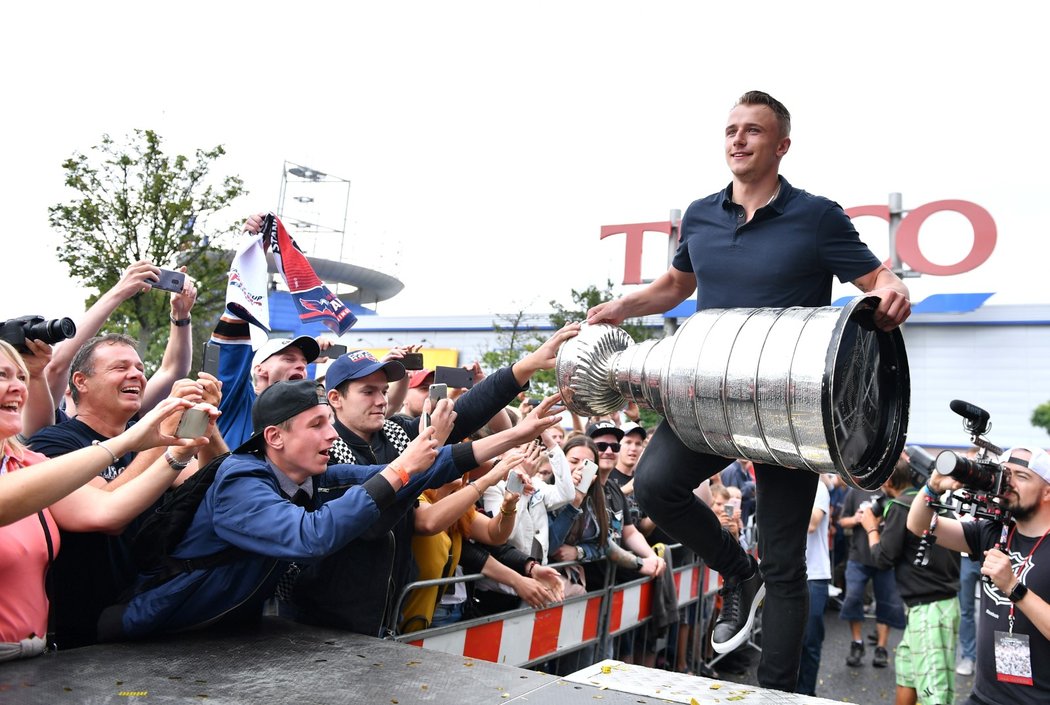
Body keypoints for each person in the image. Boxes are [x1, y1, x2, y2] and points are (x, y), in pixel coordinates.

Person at [586, 90, 911, 691]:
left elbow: (875, 276)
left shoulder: (817, 215)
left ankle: (780, 694)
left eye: (753, 131)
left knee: (788, 564)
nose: (737, 139)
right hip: (707, 394)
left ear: (781, 145)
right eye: (731, 129)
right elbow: (675, 285)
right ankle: (740, 573)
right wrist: (620, 307)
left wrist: (891, 287)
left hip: (792, 406)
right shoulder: (701, 214)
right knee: (655, 485)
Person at [100, 380, 566, 640]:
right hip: (150, 634)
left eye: (329, 422)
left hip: (213, 636)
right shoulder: (241, 483)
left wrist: (513, 435)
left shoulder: (308, 475)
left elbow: (413, 469)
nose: (331, 436)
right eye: (318, 424)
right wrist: (401, 470)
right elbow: (311, 536)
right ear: (275, 438)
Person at [0, 341, 211, 661]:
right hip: (82, 631)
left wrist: (180, 447)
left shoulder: (29, 462)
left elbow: (105, 509)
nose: (17, 386)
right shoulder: (55, 443)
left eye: (20, 377)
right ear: (80, 382)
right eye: (3, 375)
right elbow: (108, 516)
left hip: (36, 656)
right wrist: (146, 438)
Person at [907, 445, 1050, 705]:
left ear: (1047, 491)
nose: (1008, 482)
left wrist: (1014, 588)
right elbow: (918, 525)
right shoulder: (994, 531)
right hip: (984, 696)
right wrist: (933, 486)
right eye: (1006, 474)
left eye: (1022, 476)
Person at [862, 454, 960, 705]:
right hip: (932, 607)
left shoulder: (900, 506)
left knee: (933, 693)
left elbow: (883, 558)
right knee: (907, 673)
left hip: (930, 610)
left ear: (888, 483)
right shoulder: (936, 504)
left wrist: (872, 528)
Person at [839, 485, 907, 668]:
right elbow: (842, 521)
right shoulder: (855, 491)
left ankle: (881, 649)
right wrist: (856, 519)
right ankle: (857, 643)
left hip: (885, 557)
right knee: (852, 599)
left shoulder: (892, 493)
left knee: (887, 604)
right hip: (858, 557)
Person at [796, 475, 832, 696]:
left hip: (814, 575)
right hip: (787, 574)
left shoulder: (817, 487)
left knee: (810, 641)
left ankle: (806, 694)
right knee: (784, 643)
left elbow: (811, 524)